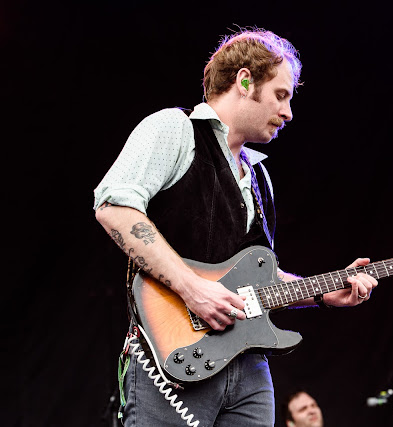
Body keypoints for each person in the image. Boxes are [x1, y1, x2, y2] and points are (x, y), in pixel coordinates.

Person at [93, 28, 378, 426]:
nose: (289, 112)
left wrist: (322, 291)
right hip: (173, 359)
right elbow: (114, 207)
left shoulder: (260, 177)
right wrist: (193, 289)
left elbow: (256, 277)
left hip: (249, 372)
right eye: (281, 95)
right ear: (245, 81)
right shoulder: (175, 129)